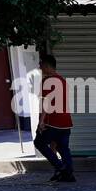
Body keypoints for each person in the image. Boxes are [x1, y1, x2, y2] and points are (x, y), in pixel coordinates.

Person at [34, 52, 75, 182]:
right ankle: (68, 174)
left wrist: (41, 122)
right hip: (66, 121)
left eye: (41, 65)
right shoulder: (63, 81)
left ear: (46, 66)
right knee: (62, 147)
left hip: (52, 121)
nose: (40, 68)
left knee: (39, 142)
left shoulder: (47, 81)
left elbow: (45, 102)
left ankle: (60, 166)